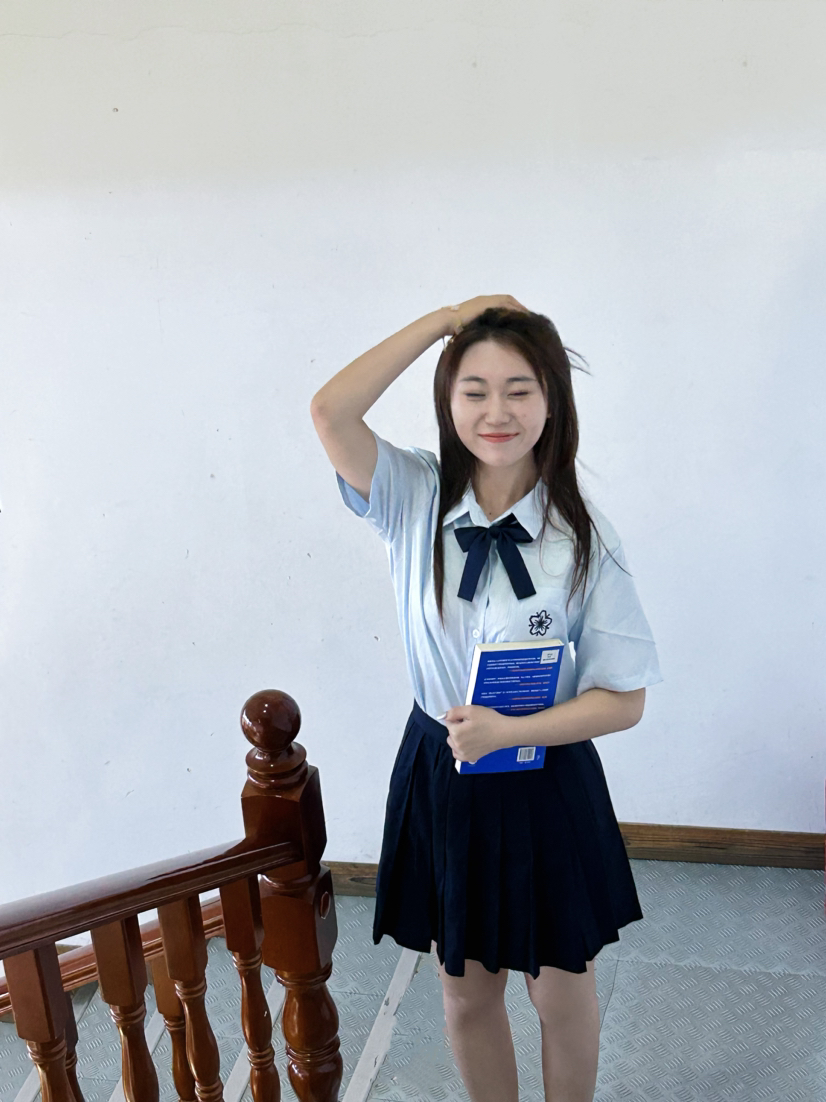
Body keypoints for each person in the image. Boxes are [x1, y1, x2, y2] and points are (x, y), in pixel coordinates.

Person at [309, 296, 662, 1102]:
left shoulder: (583, 539)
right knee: (466, 991)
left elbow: (624, 700)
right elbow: (330, 411)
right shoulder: (411, 494)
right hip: (445, 770)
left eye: (519, 390)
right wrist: (444, 319)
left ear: (552, 401)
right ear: (448, 401)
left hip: (546, 774)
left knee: (561, 989)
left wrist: (511, 730)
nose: (496, 412)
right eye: (474, 390)